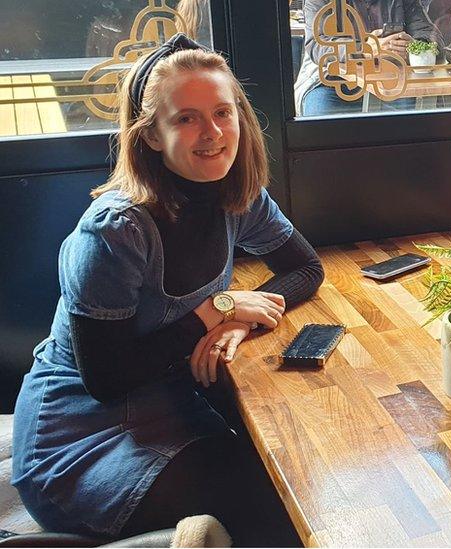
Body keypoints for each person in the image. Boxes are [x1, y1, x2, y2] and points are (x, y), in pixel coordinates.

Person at [12, 34, 323, 544]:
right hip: (78, 441)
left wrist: (239, 318)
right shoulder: (116, 231)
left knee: (297, 471)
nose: (213, 132)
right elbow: (108, 379)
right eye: (186, 118)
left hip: (174, 407)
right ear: (152, 136)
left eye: (223, 112)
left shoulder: (236, 193)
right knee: (276, 506)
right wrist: (216, 308)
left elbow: (306, 269)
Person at [294, 0, 441, 115]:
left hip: (391, 80)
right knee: (320, 125)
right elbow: (317, 44)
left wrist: (413, 48)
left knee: (416, 121)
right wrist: (364, 49)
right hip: (330, 81)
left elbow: (430, 36)